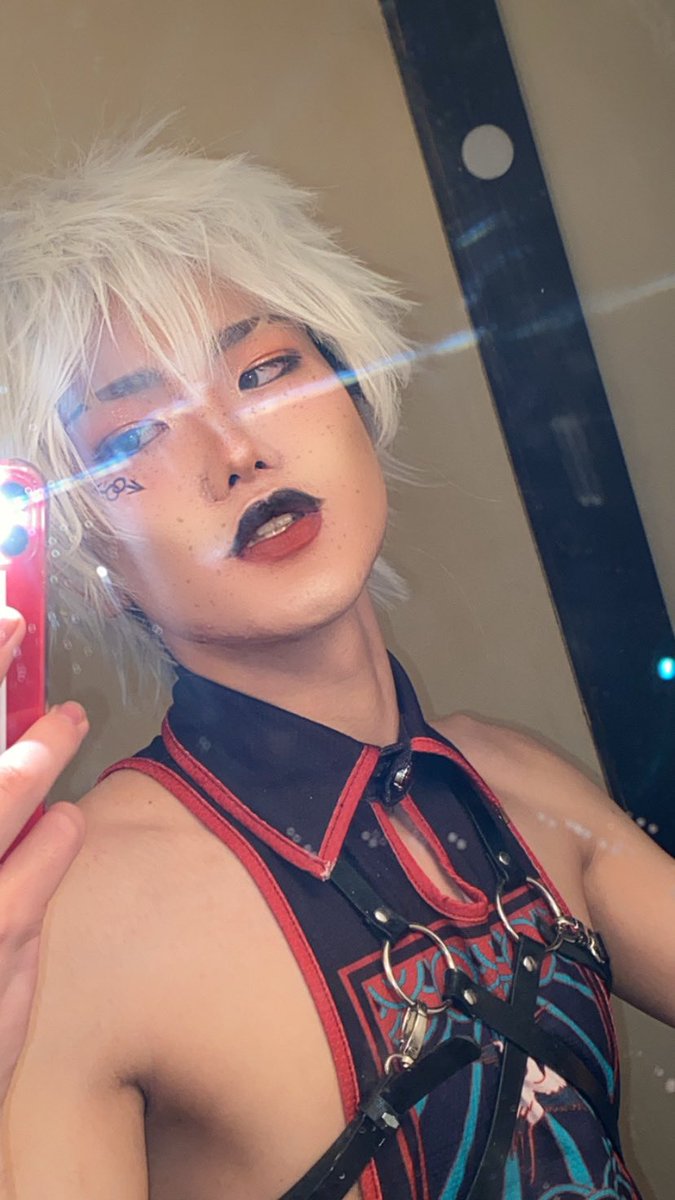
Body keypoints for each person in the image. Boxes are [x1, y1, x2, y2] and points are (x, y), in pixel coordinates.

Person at [0, 131, 673, 1200]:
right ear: (91, 558)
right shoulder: (70, 917)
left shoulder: (520, 781)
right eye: (132, 440)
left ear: (354, 395)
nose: (237, 450)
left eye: (266, 370)